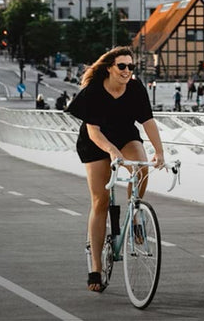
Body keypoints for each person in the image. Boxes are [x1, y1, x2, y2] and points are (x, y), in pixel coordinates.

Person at [65, 46, 165, 293]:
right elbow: (94, 131)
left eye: (131, 67)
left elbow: (148, 122)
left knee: (140, 169)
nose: (127, 71)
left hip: (125, 136)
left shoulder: (135, 88)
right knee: (99, 201)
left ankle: (135, 212)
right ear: (109, 68)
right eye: (122, 66)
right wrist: (111, 151)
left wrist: (160, 151)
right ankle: (96, 268)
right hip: (96, 143)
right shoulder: (94, 92)